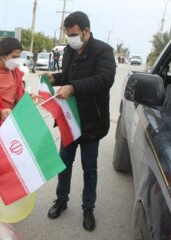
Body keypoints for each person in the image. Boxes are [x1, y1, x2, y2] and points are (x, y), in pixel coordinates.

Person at [45, 11, 116, 232]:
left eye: (74, 34)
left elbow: (105, 80)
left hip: (91, 123)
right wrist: (55, 78)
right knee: (64, 162)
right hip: (69, 119)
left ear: (86, 31)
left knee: (89, 168)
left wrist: (74, 88)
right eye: (68, 35)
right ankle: (61, 200)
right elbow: (68, 77)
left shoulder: (103, 51)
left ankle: (88, 208)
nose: (71, 38)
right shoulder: (69, 50)